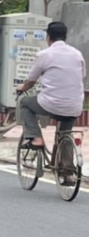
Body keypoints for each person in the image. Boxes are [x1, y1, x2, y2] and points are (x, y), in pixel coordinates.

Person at [15, 21, 86, 166]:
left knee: (24, 102)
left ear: (48, 37)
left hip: (51, 104)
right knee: (65, 133)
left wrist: (22, 87)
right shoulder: (77, 54)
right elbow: (82, 75)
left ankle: (36, 138)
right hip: (74, 106)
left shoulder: (45, 54)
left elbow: (31, 80)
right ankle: (66, 168)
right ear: (65, 36)